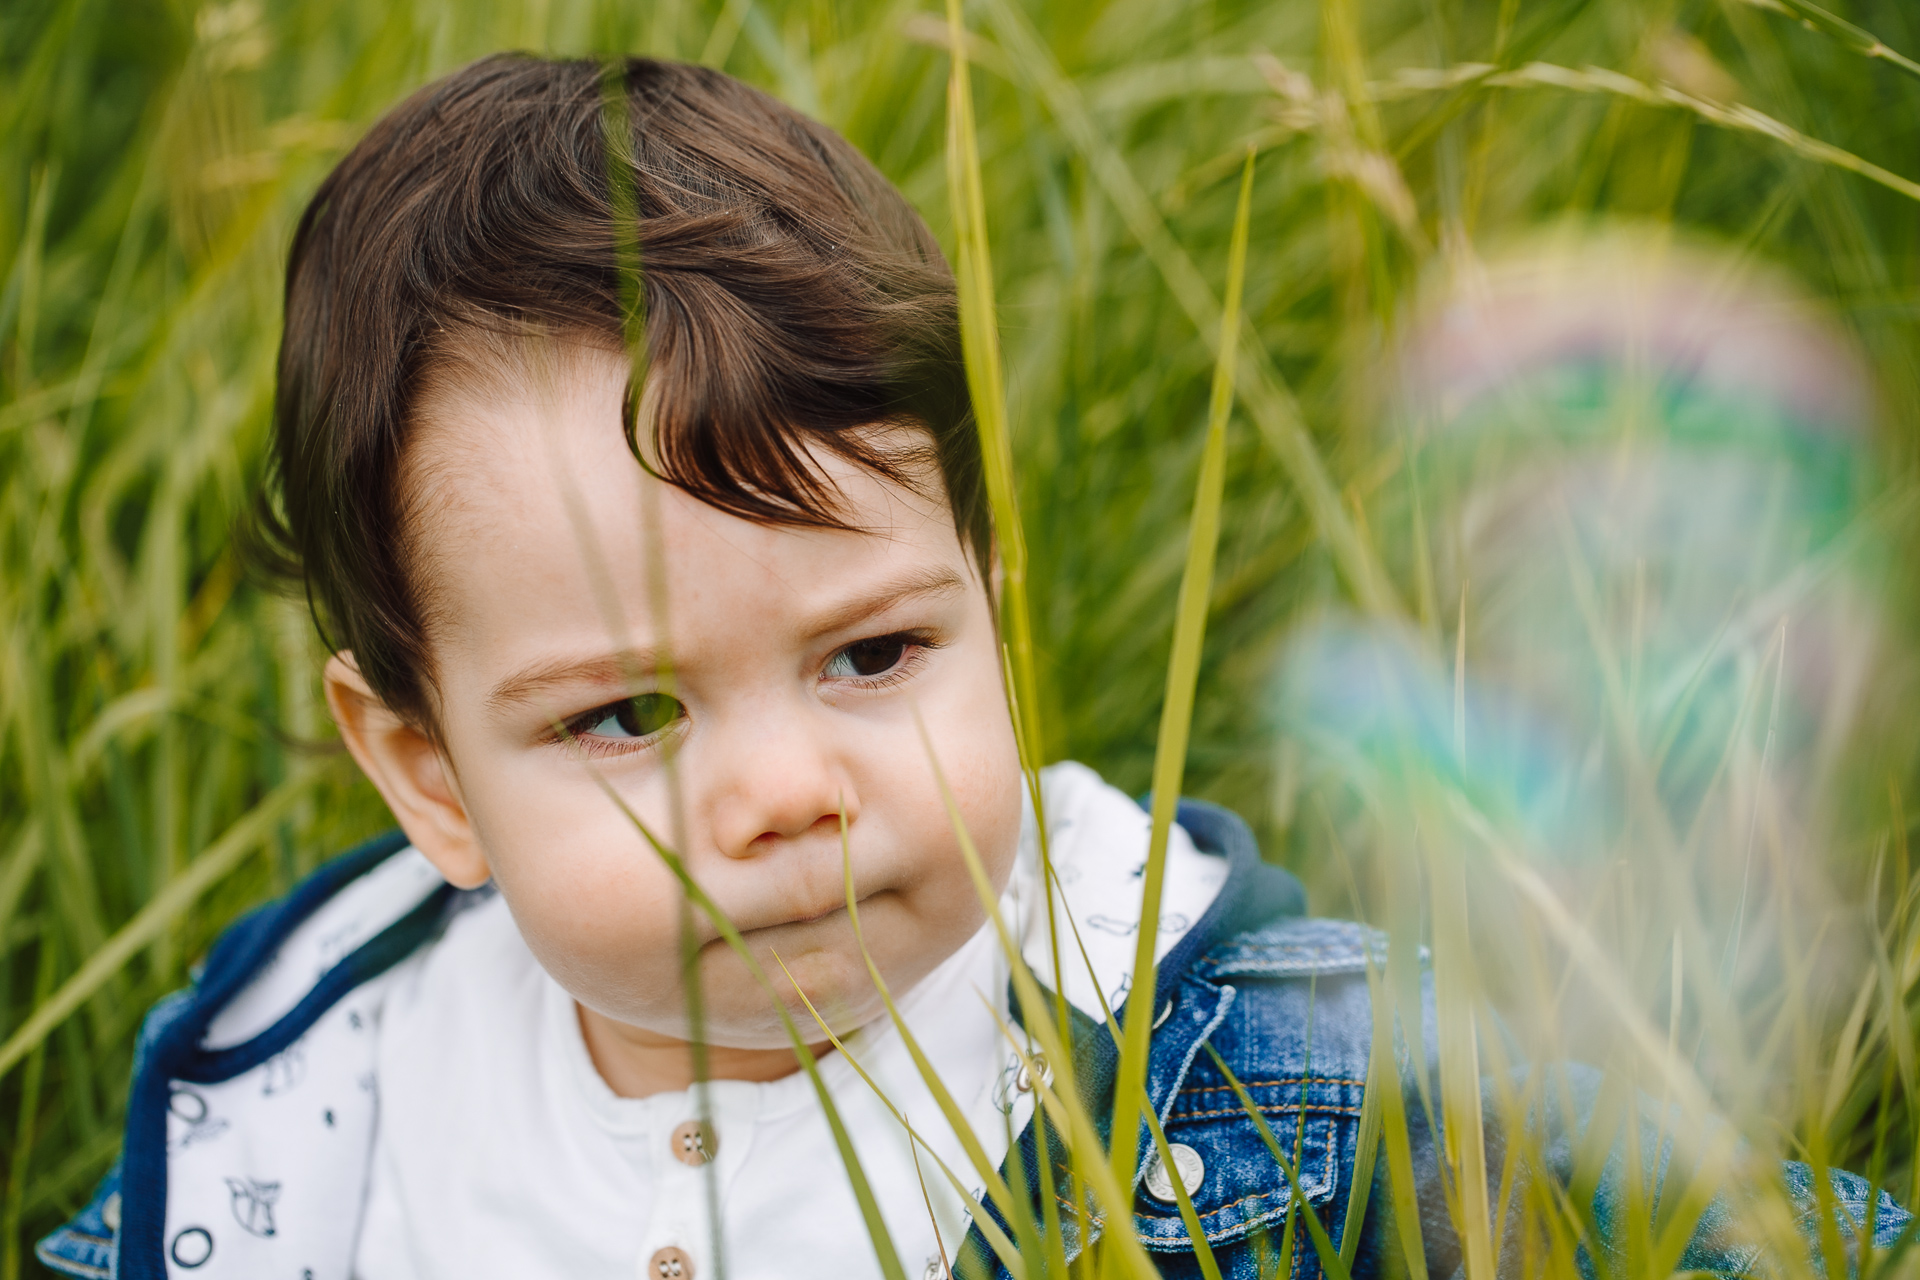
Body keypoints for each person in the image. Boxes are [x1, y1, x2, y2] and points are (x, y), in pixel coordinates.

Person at [37, 55, 1909, 1280]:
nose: (782, 795)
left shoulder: (1242, 1056)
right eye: (627, 714)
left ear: (989, 604)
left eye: (871, 653)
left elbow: (1747, 1230)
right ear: (428, 770)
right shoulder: (315, 1083)